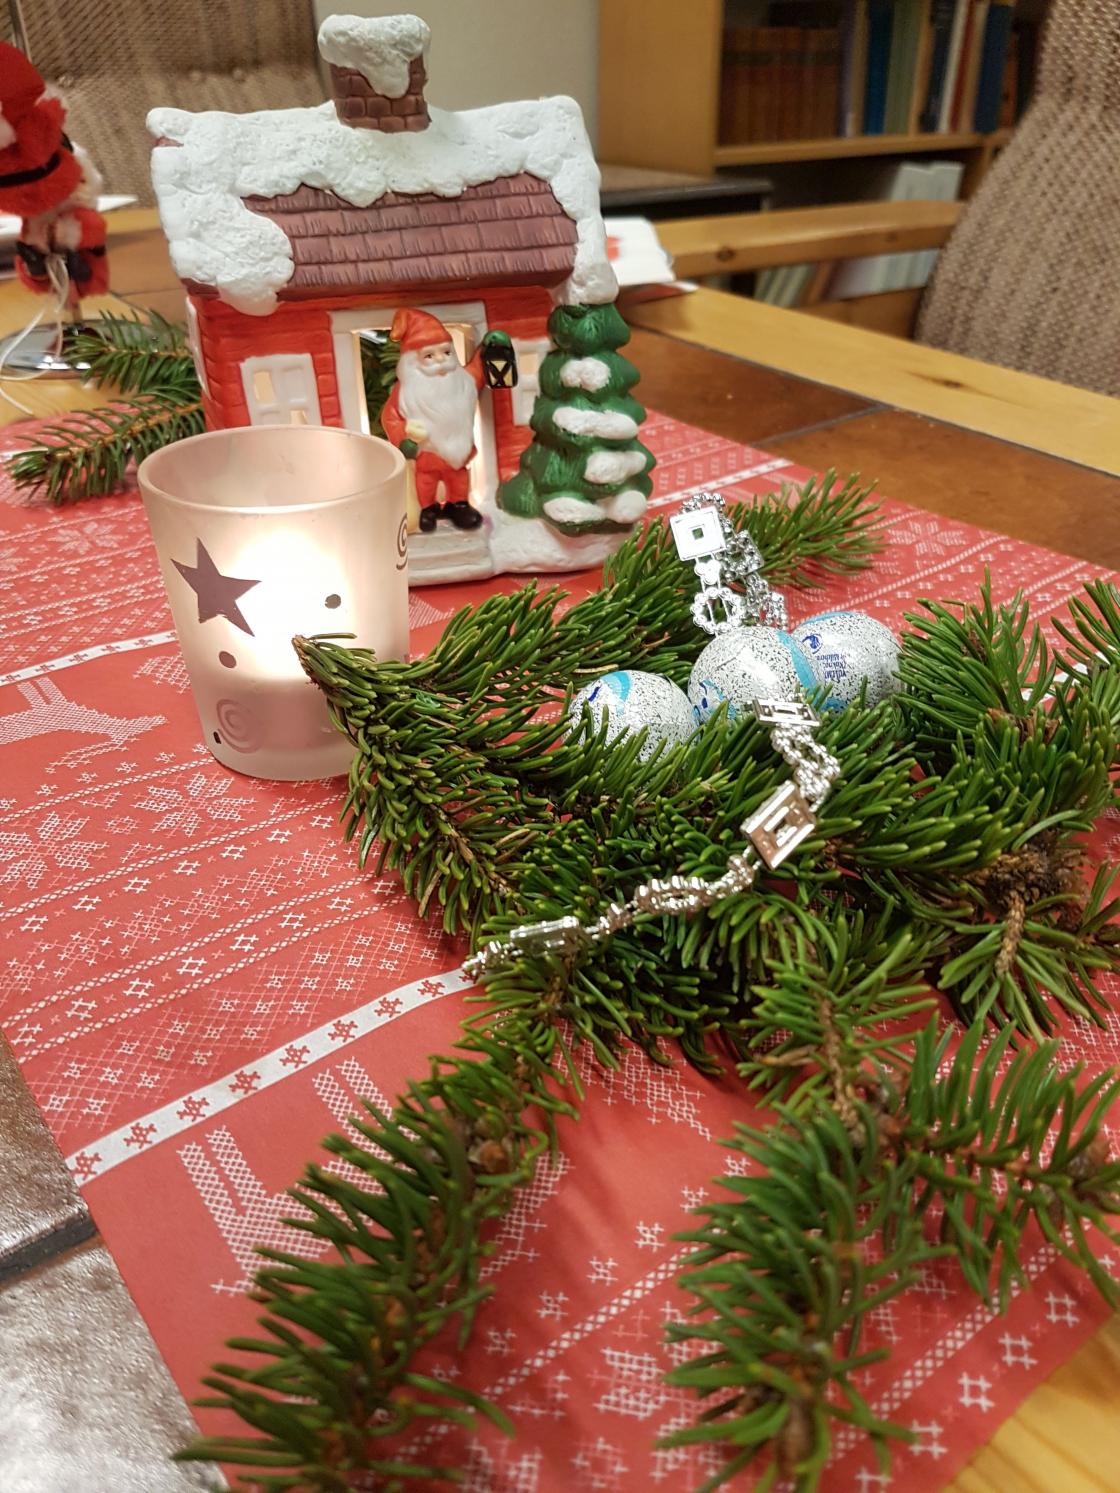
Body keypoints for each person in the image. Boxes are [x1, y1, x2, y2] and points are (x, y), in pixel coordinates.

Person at [380, 308, 488, 533]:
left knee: (458, 478)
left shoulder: (463, 380)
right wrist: (404, 434)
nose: (440, 360)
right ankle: (427, 508)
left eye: (446, 352)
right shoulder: (406, 392)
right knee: (425, 481)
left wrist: (488, 349)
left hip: (458, 449)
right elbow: (390, 417)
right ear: (412, 362)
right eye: (429, 356)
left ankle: (459, 505)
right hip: (427, 452)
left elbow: (478, 372)